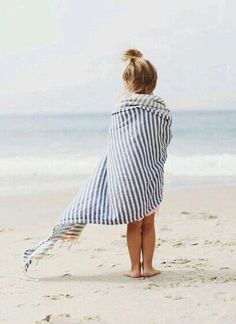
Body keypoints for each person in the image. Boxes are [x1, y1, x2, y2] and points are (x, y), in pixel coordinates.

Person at [22, 48, 173, 278]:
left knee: (133, 224)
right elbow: (163, 140)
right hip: (149, 175)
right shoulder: (161, 110)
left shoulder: (120, 110)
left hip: (126, 178)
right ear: (153, 82)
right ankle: (149, 267)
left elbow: (117, 146)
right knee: (148, 223)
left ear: (127, 82)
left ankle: (134, 269)